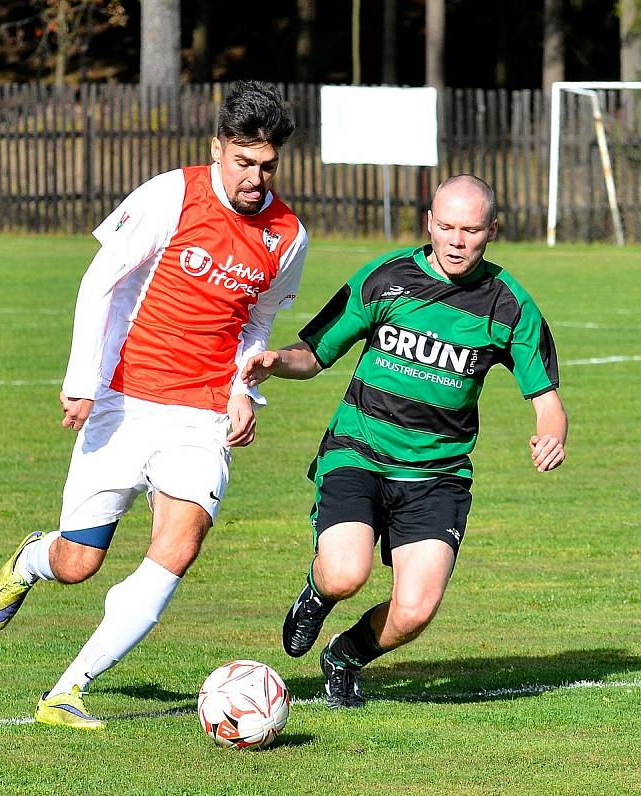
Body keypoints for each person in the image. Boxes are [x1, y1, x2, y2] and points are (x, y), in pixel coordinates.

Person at [0, 81, 308, 729]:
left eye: (266, 165)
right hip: (124, 402)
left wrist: (243, 389)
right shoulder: (171, 194)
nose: (253, 177)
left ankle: (67, 691)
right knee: (79, 562)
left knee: (179, 546)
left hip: (201, 416)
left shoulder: (287, 236)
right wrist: (83, 379)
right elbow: (102, 279)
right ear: (217, 148)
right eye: (243, 161)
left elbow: (257, 324)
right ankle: (29, 560)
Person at [242, 175, 566, 709]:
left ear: (491, 231)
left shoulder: (510, 306)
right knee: (347, 573)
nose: (456, 241)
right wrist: (277, 362)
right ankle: (318, 592)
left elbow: (547, 400)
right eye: (446, 227)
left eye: (470, 230)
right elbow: (315, 351)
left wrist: (550, 436)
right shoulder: (386, 277)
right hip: (359, 453)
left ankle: (345, 656)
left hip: (437, 474)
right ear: (429, 224)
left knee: (414, 610)